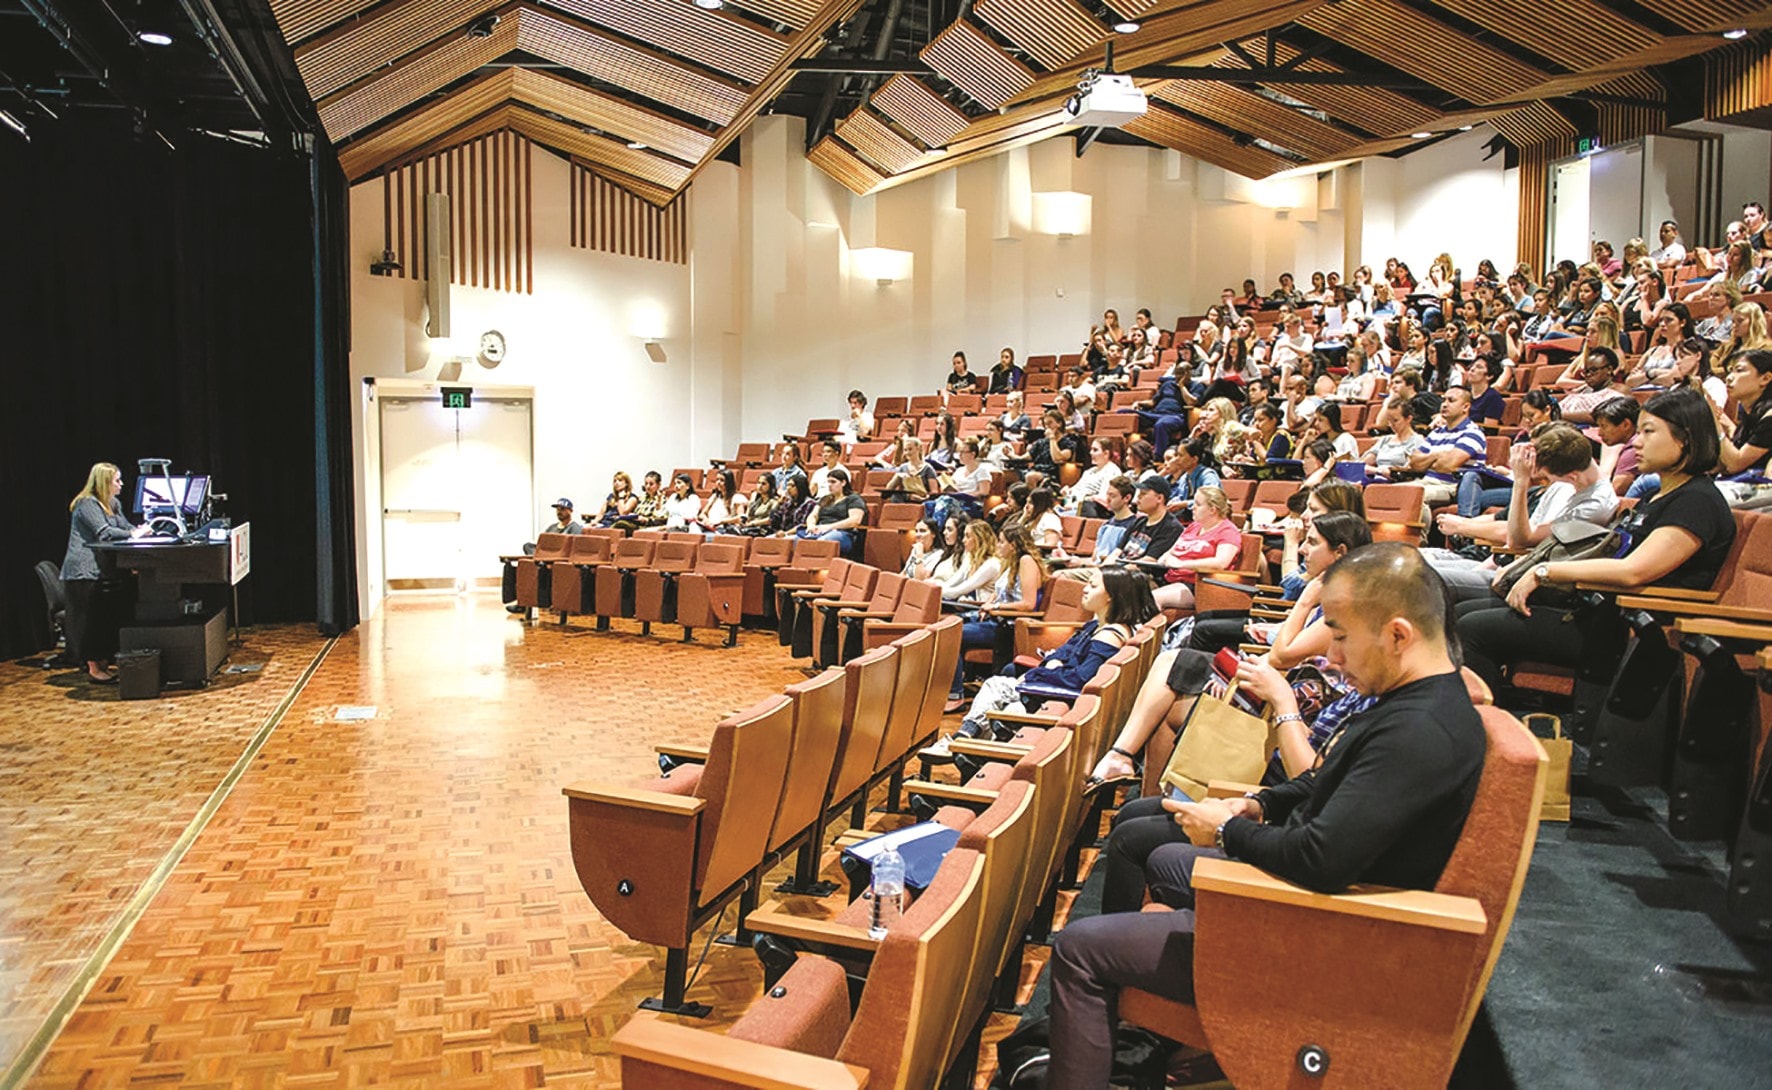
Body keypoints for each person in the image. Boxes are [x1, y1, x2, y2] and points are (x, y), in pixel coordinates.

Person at [1046, 545, 1486, 1088]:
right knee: (1161, 857)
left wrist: (1228, 830)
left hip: (1317, 937)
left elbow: (1318, 860)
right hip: (1320, 904)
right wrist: (1257, 803)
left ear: (1398, 634)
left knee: (1078, 948)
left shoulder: (1420, 731)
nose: (1335, 657)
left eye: (1342, 637)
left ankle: (1106, 1042)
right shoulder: (1417, 700)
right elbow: (1322, 782)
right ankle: (1126, 1043)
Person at [1457, 388, 1739, 697]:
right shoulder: (1655, 495)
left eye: (1649, 431)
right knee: (1460, 611)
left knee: (1472, 629)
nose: (1638, 442)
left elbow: (1634, 571)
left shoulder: (1697, 501)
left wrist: (1544, 572)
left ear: (1685, 438)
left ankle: (1486, 732)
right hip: (1595, 610)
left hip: (1632, 629)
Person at [1092, 511, 1374, 783]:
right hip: (1271, 684)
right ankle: (1135, 776)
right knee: (1173, 671)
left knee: (1174, 674)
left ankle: (1128, 765)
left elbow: (1282, 656)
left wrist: (1305, 600)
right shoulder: (1332, 595)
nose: (1301, 550)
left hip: (1282, 704)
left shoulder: (1344, 605)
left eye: (1311, 542)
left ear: (1339, 553)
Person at [931, 567, 1159, 757]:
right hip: (1055, 686)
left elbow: (1081, 679)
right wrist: (1052, 663)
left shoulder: (1110, 636)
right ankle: (965, 746)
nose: (1085, 589)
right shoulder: (1095, 625)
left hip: (1062, 696)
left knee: (997, 687)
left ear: (1110, 595)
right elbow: (1064, 651)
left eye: (1092, 585)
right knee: (1001, 689)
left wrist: (1036, 675)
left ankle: (962, 743)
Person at [1429, 424, 1619, 601]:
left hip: (1531, 581)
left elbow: (1518, 540)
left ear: (1571, 476)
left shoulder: (1594, 505)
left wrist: (1521, 482)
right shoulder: (1571, 483)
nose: (1544, 479)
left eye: (1547, 476)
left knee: (1423, 578)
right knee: (1415, 566)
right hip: (1509, 567)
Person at [61, 462, 148, 683]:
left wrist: (139, 531)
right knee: (91, 620)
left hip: (104, 571)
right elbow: (105, 533)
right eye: (116, 480)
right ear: (103, 483)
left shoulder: (113, 503)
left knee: (105, 618)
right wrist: (133, 535)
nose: (121, 484)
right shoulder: (86, 504)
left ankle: (102, 662)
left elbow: (125, 528)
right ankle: (93, 667)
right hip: (84, 572)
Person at [946, 524, 1046, 706]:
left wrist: (996, 607)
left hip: (1009, 625)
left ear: (1014, 544)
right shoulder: (1010, 562)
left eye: (1001, 542)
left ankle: (955, 694)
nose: (998, 545)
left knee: (952, 634)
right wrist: (989, 603)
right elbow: (999, 591)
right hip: (995, 617)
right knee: (948, 624)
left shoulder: (1026, 561)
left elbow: (1029, 604)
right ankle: (950, 687)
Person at [1145, 486, 1242, 613]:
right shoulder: (1194, 526)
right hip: (1169, 578)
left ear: (1212, 509)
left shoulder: (1228, 531)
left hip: (1199, 585)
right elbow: (1170, 552)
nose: (1192, 507)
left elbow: (1221, 563)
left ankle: (1146, 632)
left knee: (1151, 598)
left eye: (1198, 504)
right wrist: (1165, 559)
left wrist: (1182, 564)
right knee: (1125, 588)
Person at [1406, 385, 1487, 510]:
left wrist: (1428, 461)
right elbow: (1414, 463)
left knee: (1413, 496)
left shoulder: (1473, 433)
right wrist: (1438, 455)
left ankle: (1419, 530)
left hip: (1450, 487)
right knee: (1386, 492)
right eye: (1443, 400)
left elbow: (1447, 465)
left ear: (1465, 407)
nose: (1444, 404)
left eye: (1451, 400)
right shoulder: (1436, 432)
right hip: (1426, 481)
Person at [1713, 347, 1772, 476]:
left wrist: (1715, 424)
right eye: (1730, 371)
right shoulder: (1748, 410)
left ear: (1766, 378)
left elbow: (1735, 463)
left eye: (1739, 370)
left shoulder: (1770, 417)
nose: (1729, 378)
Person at [796, 469, 865, 555]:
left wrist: (829, 527)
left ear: (843, 483)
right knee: (792, 541)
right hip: (820, 531)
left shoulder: (853, 499)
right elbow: (813, 515)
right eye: (828, 482)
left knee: (821, 542)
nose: (829, 485)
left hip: (843, 533)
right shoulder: (825, 499)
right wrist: (811, 525)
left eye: (833, 482)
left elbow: (855, 520)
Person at [939, 519, 1003, 605]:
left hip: (985, 612)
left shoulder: (991, 564)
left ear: (979, 539)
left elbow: (957, 591)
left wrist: (933, 590)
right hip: (973, 605)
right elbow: (952, 582)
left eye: (968, 536)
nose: (963, 540)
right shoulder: (970, 558)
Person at [1067, 437, 1123, 518]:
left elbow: (1104, 499)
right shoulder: (1089, 471)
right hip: (1072, 507)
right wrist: (1068, 491)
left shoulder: (1112, 471)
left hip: (1089, 511)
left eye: (1095, 450)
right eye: (1091, 449)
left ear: (1106, 453)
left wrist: (1085, 499)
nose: (1090, 453)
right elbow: (1075, 489)